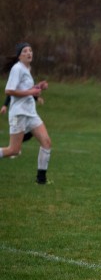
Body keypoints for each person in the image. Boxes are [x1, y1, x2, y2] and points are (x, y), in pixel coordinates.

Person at [0, 43, 52, 183]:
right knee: (14, 150)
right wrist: (31, 92)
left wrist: (38, 87)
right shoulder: (17, 69)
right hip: (19, 114)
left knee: (46, 142)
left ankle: (41, 180)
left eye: (30, 50)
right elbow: (9, 90)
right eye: (25, 51)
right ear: (19, 56)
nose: (29, 53)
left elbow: (27, 90)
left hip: (30, 113)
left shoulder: (27, 69)